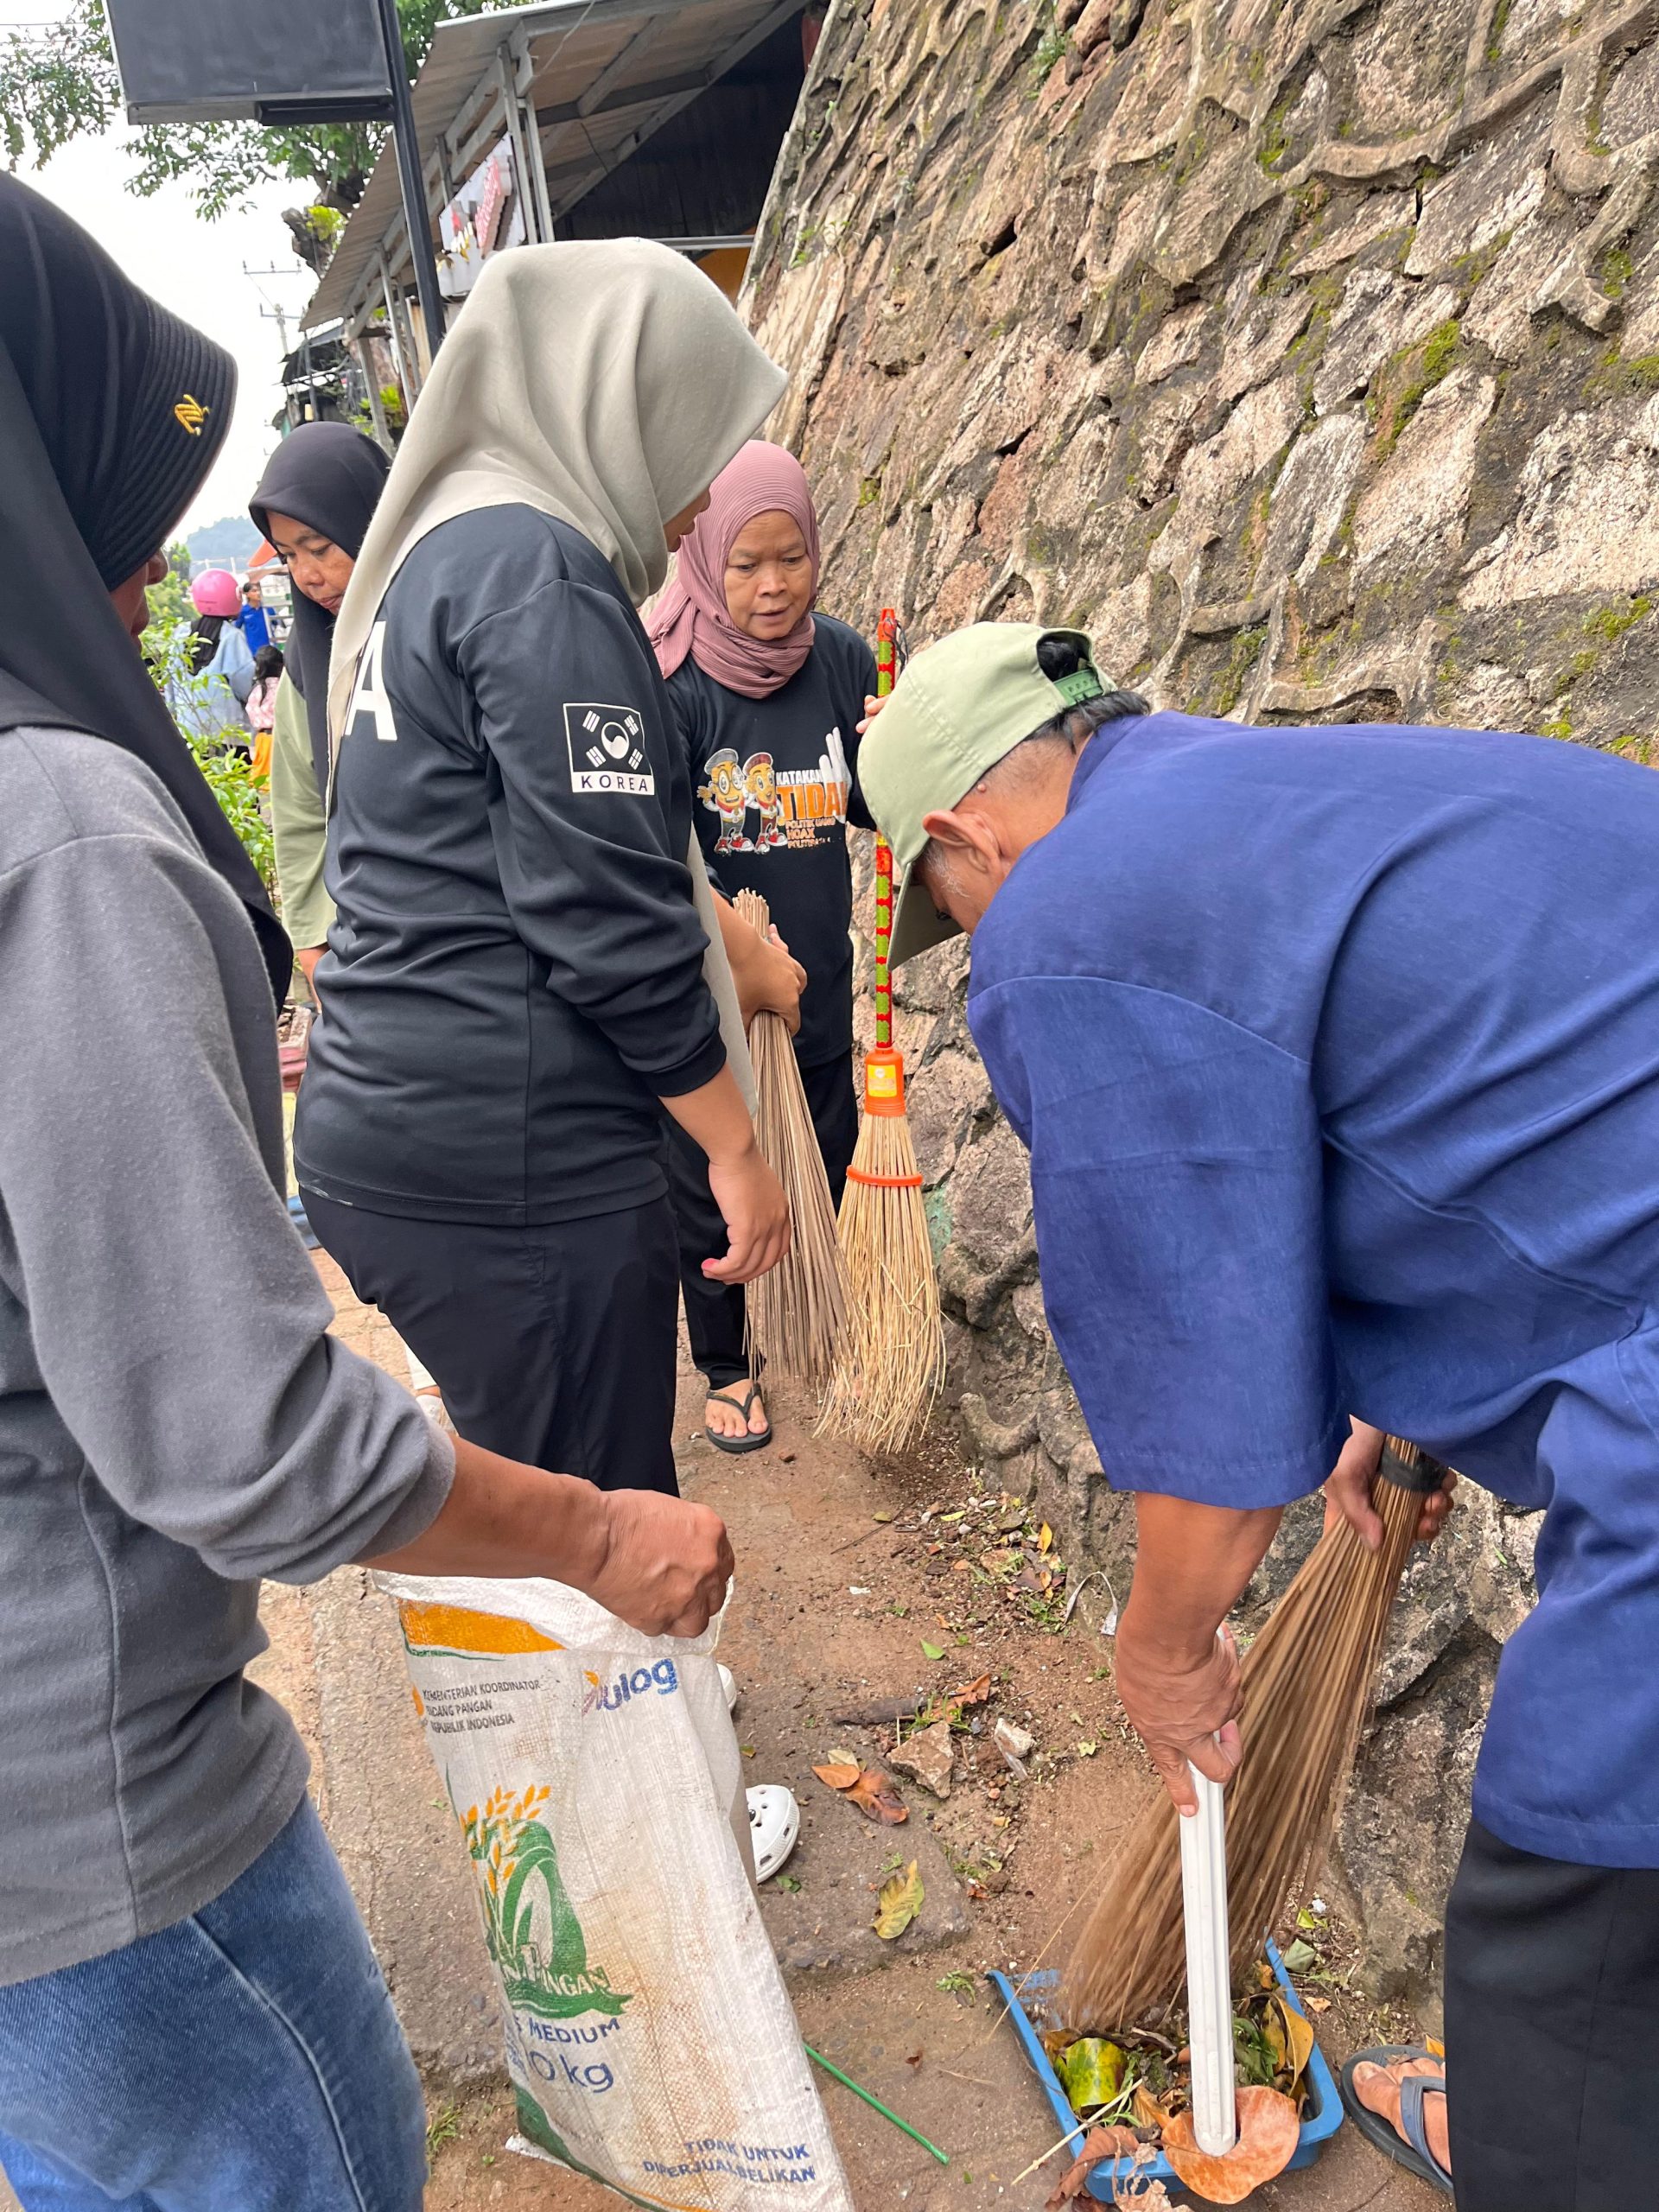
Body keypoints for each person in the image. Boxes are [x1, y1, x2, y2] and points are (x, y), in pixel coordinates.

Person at [0, 175, 733, 2212]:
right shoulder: (56, 835)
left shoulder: (414, 579)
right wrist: (599, 1527)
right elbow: (244, 1430)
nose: (161, 568)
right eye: (117, 475)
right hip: (102, 1840)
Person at [858, 620, 1659, 2212]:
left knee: (1568, 1915)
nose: (969, 945)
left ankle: (1551, 2139)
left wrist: (1161, 1654)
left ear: (963, 837)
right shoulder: (1286, 794)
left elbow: (1202, 1414)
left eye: (943, 912)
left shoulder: (1072, 920)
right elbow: (1512, 1098)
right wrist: (1404, 1395)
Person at [294, 240, 799, 1500]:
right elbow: (603, 911)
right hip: (507, 1158)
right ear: (622, 406)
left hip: (401, 1126)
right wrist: (734, 1149)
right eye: (695, 439)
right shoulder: (537, 570)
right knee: (596, 1526)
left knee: (533, 1492)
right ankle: (621, 1696)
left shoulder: (436, 555)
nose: (696, 504)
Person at [649, 441, 875, 1452]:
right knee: (713, 1186)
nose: (774, 586)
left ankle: (796, 1324)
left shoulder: (840, 660)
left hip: (820, 975)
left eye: (792, 558)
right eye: (746, 564)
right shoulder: (674, 682)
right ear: (704, 560)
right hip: (722, 995)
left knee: (822, 1157)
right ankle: (728, 1365)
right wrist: (746, 963)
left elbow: (868, 802)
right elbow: (659, 854)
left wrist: (895, 736)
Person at [249, 420, 391, 992]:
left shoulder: (444, 630)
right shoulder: (307, 668)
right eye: (288, 556)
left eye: (320, 547)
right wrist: (311, 942)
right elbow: (301, 810)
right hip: (367, 946)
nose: (307, 575)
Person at [175, 567, 256, 742]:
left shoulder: (180, 634)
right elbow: (244, 680)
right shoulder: (231, 636)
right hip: (227, 732)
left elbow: (172, 684)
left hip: (189, 730)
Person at [245, 640, 283, 781]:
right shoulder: (285, 687)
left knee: (264, 782)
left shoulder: (257, 690)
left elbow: (252, 717)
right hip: (284, 738)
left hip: (263, 740)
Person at [235, 575, 271, 654]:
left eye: (259, 590)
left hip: (270, 650)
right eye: (254, 591)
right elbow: (236, 628)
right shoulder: (243, 611)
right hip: (254, 652)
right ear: (247, 594)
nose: (258, 593)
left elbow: (278, 625)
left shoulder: (267, 609)